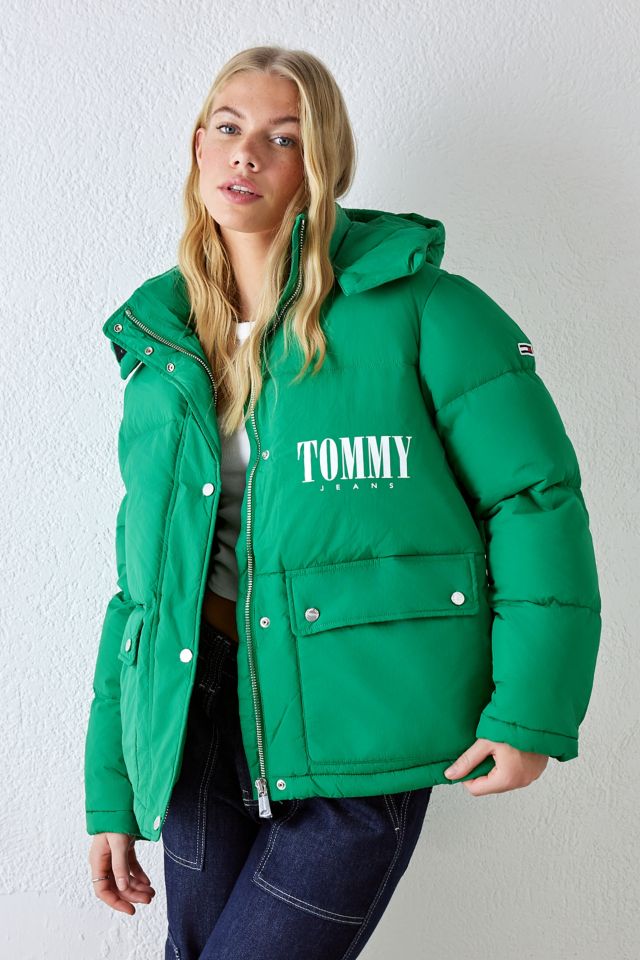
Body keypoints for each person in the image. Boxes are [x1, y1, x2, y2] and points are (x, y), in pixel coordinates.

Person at [84, 45, 602, 959]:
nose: (247, 153)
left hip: (366, 717)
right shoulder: (162, 349)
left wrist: (532, 709)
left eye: (282, 138)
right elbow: (142, 589)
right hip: (195, 717)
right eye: (228, 128)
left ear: (320, 166)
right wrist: (113, 790)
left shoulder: (425, 309)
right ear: (197, 146)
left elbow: (534, 501)